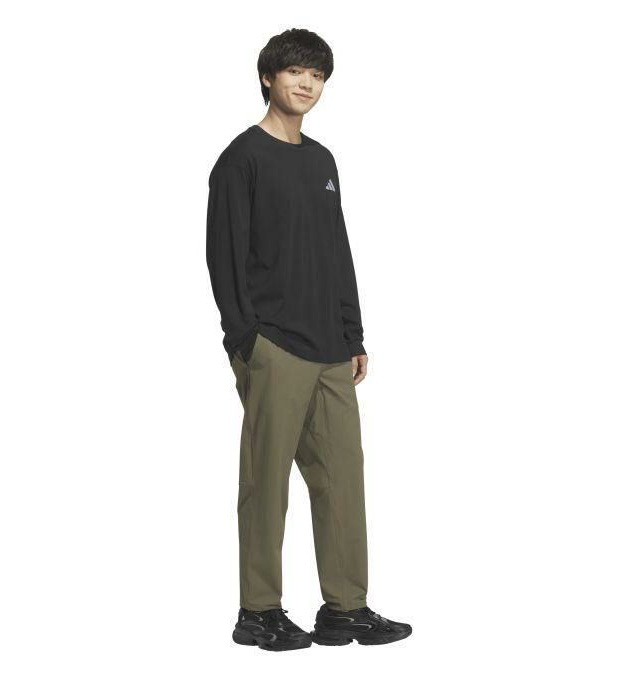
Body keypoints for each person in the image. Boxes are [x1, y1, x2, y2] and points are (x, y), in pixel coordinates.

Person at [205, 28, 412, 651]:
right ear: (268, 77)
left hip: (330, 348)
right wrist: (245, 340)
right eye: (295, 71)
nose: (306, 84)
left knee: (343, 480)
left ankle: (345, 608)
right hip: (273, 345)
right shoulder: (241, 158)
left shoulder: (322, 161)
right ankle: (259, 612)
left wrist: (353, 333)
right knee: (266, 483)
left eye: (317, 76)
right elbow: (224, 255)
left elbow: (335, 250)